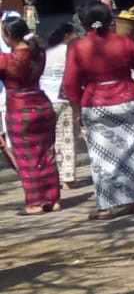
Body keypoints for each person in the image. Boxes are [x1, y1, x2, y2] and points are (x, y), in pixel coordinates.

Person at [64, 3, 134, 219]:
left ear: (84, 22)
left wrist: (77, 110)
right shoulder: (124, 42)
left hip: (96, 102)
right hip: (128, 99)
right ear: (110, 20)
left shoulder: (78, 47)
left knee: (102, 156)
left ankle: (106, 206)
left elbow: (70, 83)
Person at [1, 18, 61, 214]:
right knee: (47, 153)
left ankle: (35, 202)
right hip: (42, 105)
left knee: (27, 157)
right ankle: (53, 199)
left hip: (20, 110)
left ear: (8, 35)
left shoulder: (6, 60)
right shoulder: (39, 53)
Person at [40, 23, 81, 188]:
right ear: (67, 35)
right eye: (75, 33)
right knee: (67, 138)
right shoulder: (71, 52)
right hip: (64, 99)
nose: (78, 36)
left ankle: (53, 176)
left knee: (50, 140)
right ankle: (68, 178)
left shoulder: (45, 53)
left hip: (45, 99)